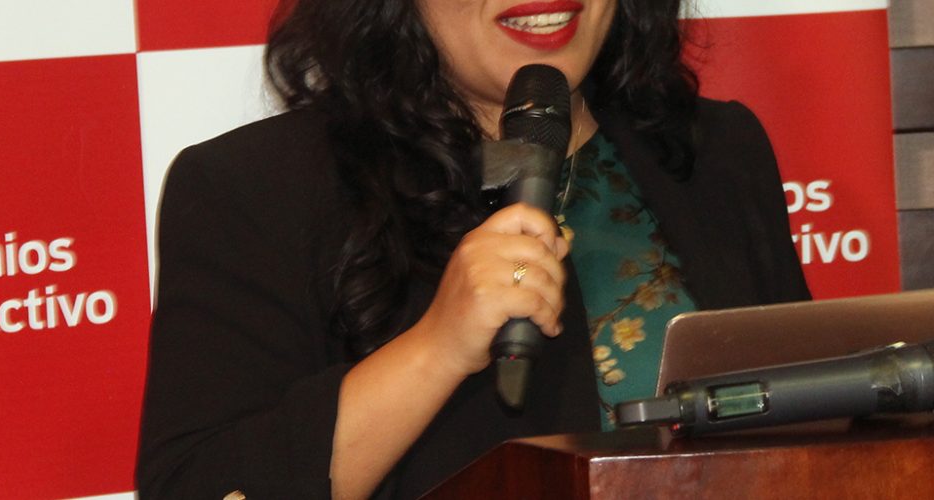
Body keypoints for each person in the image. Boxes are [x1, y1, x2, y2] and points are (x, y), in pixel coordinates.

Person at [135, 0, 809, 498]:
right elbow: (203, 488)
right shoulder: (254, 189)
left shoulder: (716, 153)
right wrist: (437, 348)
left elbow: (812, 433)